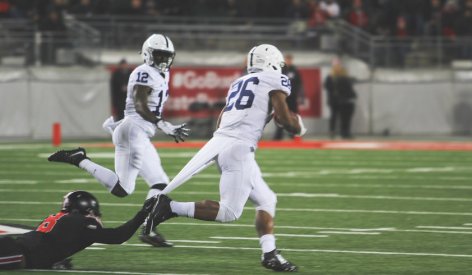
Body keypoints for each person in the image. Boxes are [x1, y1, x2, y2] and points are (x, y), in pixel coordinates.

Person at [145, 44, 306, 272]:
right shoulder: (274, 79)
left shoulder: (239, 82)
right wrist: (298, 127)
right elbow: (285, 119)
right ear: (271, 62)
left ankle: (270, 254)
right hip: (239, 149)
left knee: (267, 199)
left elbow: (222, 120)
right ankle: (170, 207)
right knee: (229, 212)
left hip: (223, 144)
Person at [47, 34, 189, 247]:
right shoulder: (144, 71)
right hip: (134, 131)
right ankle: (80, 159)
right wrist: (163, 124)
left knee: (160, 183)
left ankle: (148, 229)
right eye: (159, 55)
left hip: (139, 132)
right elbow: (140, 106)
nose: (163, 60)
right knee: (123, 189)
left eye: (166, 56)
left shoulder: (162, 73)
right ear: (149, 54)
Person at [0, 190, 155, 270]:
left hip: (13, 249)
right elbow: (118, 236)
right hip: (14, 253)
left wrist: (53, 263)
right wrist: (143, 214)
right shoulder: (80, 222)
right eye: (95, 214)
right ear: (87, 210)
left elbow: (44, 247)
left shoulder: (63, 220)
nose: (97, 218)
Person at [273, 53, 304, 140]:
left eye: (290, 60)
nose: (288, 61)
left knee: (294, 116)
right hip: (282, 98)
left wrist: (297, 94)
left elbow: (299, 84)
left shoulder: (295, 71)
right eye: (287, 59)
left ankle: (294, 134)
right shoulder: (281, 70)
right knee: (280, 116)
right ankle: (278, 136)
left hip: (292, 98)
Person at [324, 61, 356, 139]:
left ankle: (343, 132)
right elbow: (326, 86)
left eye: (338, 66)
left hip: (342, 100)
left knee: (343, 117)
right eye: (336, 66)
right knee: (334, 116)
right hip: (333, 100)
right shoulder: (330, 77)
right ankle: (332, 131)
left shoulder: (343, 77)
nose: (337, 68)